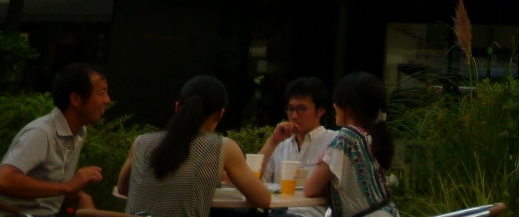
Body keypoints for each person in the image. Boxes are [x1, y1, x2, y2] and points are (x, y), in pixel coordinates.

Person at [118, 75, 270, 217]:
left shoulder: (141, 142)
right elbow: (263, 200)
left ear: (177, 107)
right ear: (220, 114)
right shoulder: (223, 147)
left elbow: (123, 189)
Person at [0, 63, 111, 217]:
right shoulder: (41, 133)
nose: (107, 100)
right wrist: (67, 187)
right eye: (101, 93)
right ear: (75, 99)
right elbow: (3, 182)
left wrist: (81, 196)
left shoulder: (79, 132)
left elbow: (53, 184)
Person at [304, 73, 399, 217]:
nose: (334, 105)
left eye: (338, 101)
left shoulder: (348, 137)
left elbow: (310, 189)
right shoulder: (369, 137)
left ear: (350, 108)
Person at [259, 78, 335, 217]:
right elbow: (254, 180)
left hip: (310, 213)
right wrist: (272, 141)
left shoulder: (333, 141)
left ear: (321, 111)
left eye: (301, 109)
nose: (294, 116)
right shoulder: (280, 145)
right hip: (276, 212)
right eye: (290, 109)